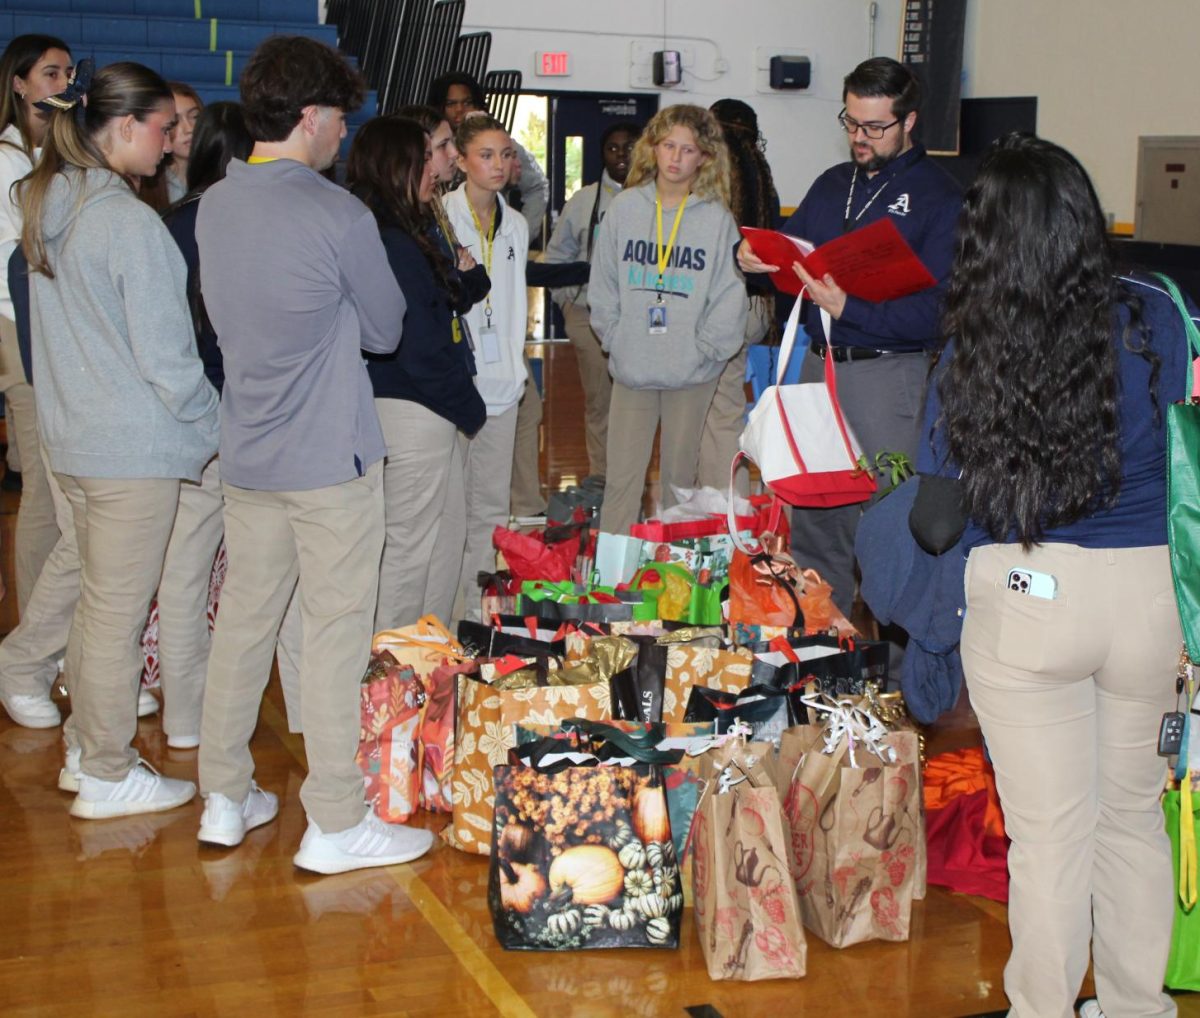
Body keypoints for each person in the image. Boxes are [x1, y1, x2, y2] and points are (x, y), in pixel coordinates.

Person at [919, 132, 1191, 1018]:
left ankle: (1042, 1009)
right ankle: (1136, 1009)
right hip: (1151, 595)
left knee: (1050, 836)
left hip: (1032, 594)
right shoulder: (1156, 307)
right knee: (1131, 820)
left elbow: (934, 519)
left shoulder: (970, 340)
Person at [195, 36, 428, 872]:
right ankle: (335, 818)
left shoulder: (217, 201)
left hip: (249, 454)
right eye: (337, 117)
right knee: (333, 634)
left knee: (243, 626)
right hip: (329, 461)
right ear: (310, 117)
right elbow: (384, 330)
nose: (342, 134)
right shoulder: (339, 213)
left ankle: (223, 795)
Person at [19, 59, 220, 816]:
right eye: (165, 129)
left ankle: (85, 752)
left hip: (77, 440)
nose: (172, 145)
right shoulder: (126, 222)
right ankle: (106, 768)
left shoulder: (52, 203)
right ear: (125, 126)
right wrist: (217, 429)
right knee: (116, 616)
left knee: (98, 609)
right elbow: (169, 362)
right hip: (129, 451)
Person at [737, 57, 961, 619]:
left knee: (888, 514)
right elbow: (793, 257)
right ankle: (820, 635)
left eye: (875, 127)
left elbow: (942, 312)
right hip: (821, 365)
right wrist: (755, 260)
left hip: (888, 376)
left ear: (909, 122)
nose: (860, 138)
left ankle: (891, 649)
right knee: (815, 509)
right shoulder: (833, 184)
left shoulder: (940, 197)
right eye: (852, 122)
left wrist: (851, 306)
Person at [345, 116, 486, 630]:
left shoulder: (408, 229)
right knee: (408, 548)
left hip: (429, 406)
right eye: (423, 157)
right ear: (397, 165)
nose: (434, 168)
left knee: (443, 542)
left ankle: (426, 659)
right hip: (411, 407)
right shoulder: (387, 239)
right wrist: (468, 405)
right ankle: (388, 674)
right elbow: (417, 343)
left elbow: (452, 294)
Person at [590, 103, 747, 535]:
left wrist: (705, 352)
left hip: (690, 373)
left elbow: (730, 296)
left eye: (688, 150)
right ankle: (614, 582)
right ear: (653, 149)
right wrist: (617, 338)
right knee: (621, 482)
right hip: (633, 367)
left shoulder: (716, 221)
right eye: (668, 146)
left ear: (705, 158)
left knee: (681, 484)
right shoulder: (624, 208)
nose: (676, 158)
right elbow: (602, 285)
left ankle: (673, 582)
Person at [156, 102, 252, 750]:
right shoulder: (235, 222)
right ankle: (215, 721)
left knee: (187, 575)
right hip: (225, 412)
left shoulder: (170, 223)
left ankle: (185, 719)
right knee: (245, 577)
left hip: (190, 413)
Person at [442, 114, 528, 620]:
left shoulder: (515, 222)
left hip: (503, 384)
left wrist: (516, 369)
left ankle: (475, 618)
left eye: (505, 154)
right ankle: (446, 613)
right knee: (451, 510)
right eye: (486, 155)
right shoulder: (441, 219)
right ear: (460, 160)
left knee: (492, 509)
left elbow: (514, 304)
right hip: (456, 386)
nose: (498, 165)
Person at [0, 35, 71, 633]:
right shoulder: (7, 160)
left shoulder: (55, 154)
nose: (63, 85)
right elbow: (16, 258)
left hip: (50, 322)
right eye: (50, 74)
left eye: (69, 73)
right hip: (14, 324)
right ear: (19, 85)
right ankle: (30, 635)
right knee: (43, 491)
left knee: (53, 486)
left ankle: (46, 631)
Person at [542, 120, 640, 483]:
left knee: (636, 405)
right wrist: (569, 307)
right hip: (589, 318)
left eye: (628, 146)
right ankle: (603, 478)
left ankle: (632, 478)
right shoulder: (584, 201)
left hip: (638, 321)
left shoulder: (656, 199)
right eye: (612, 148)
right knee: (601, 403)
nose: (620, 155)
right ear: (602, 153)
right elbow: (556, 257)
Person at [699, 98, 780, 495]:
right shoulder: (762, 174)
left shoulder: (715, 176)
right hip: (757, 305)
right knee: (725, 405)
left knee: (716, 412)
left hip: (723, 305)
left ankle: (727, 507)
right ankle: (728, 501)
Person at [428, 71, 547, 242]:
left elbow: (538, 186)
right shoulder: (433, 149)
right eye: (451, 104)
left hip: (494, 232)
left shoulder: (507, 145)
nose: (459, 110)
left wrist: (524, 232)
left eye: (467, 102)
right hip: (451, 236)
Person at [163, 81, 202, 204]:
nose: (189, 129)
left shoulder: (220, 178)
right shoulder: (147, 184)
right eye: (175, 121)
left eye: (195, 116)